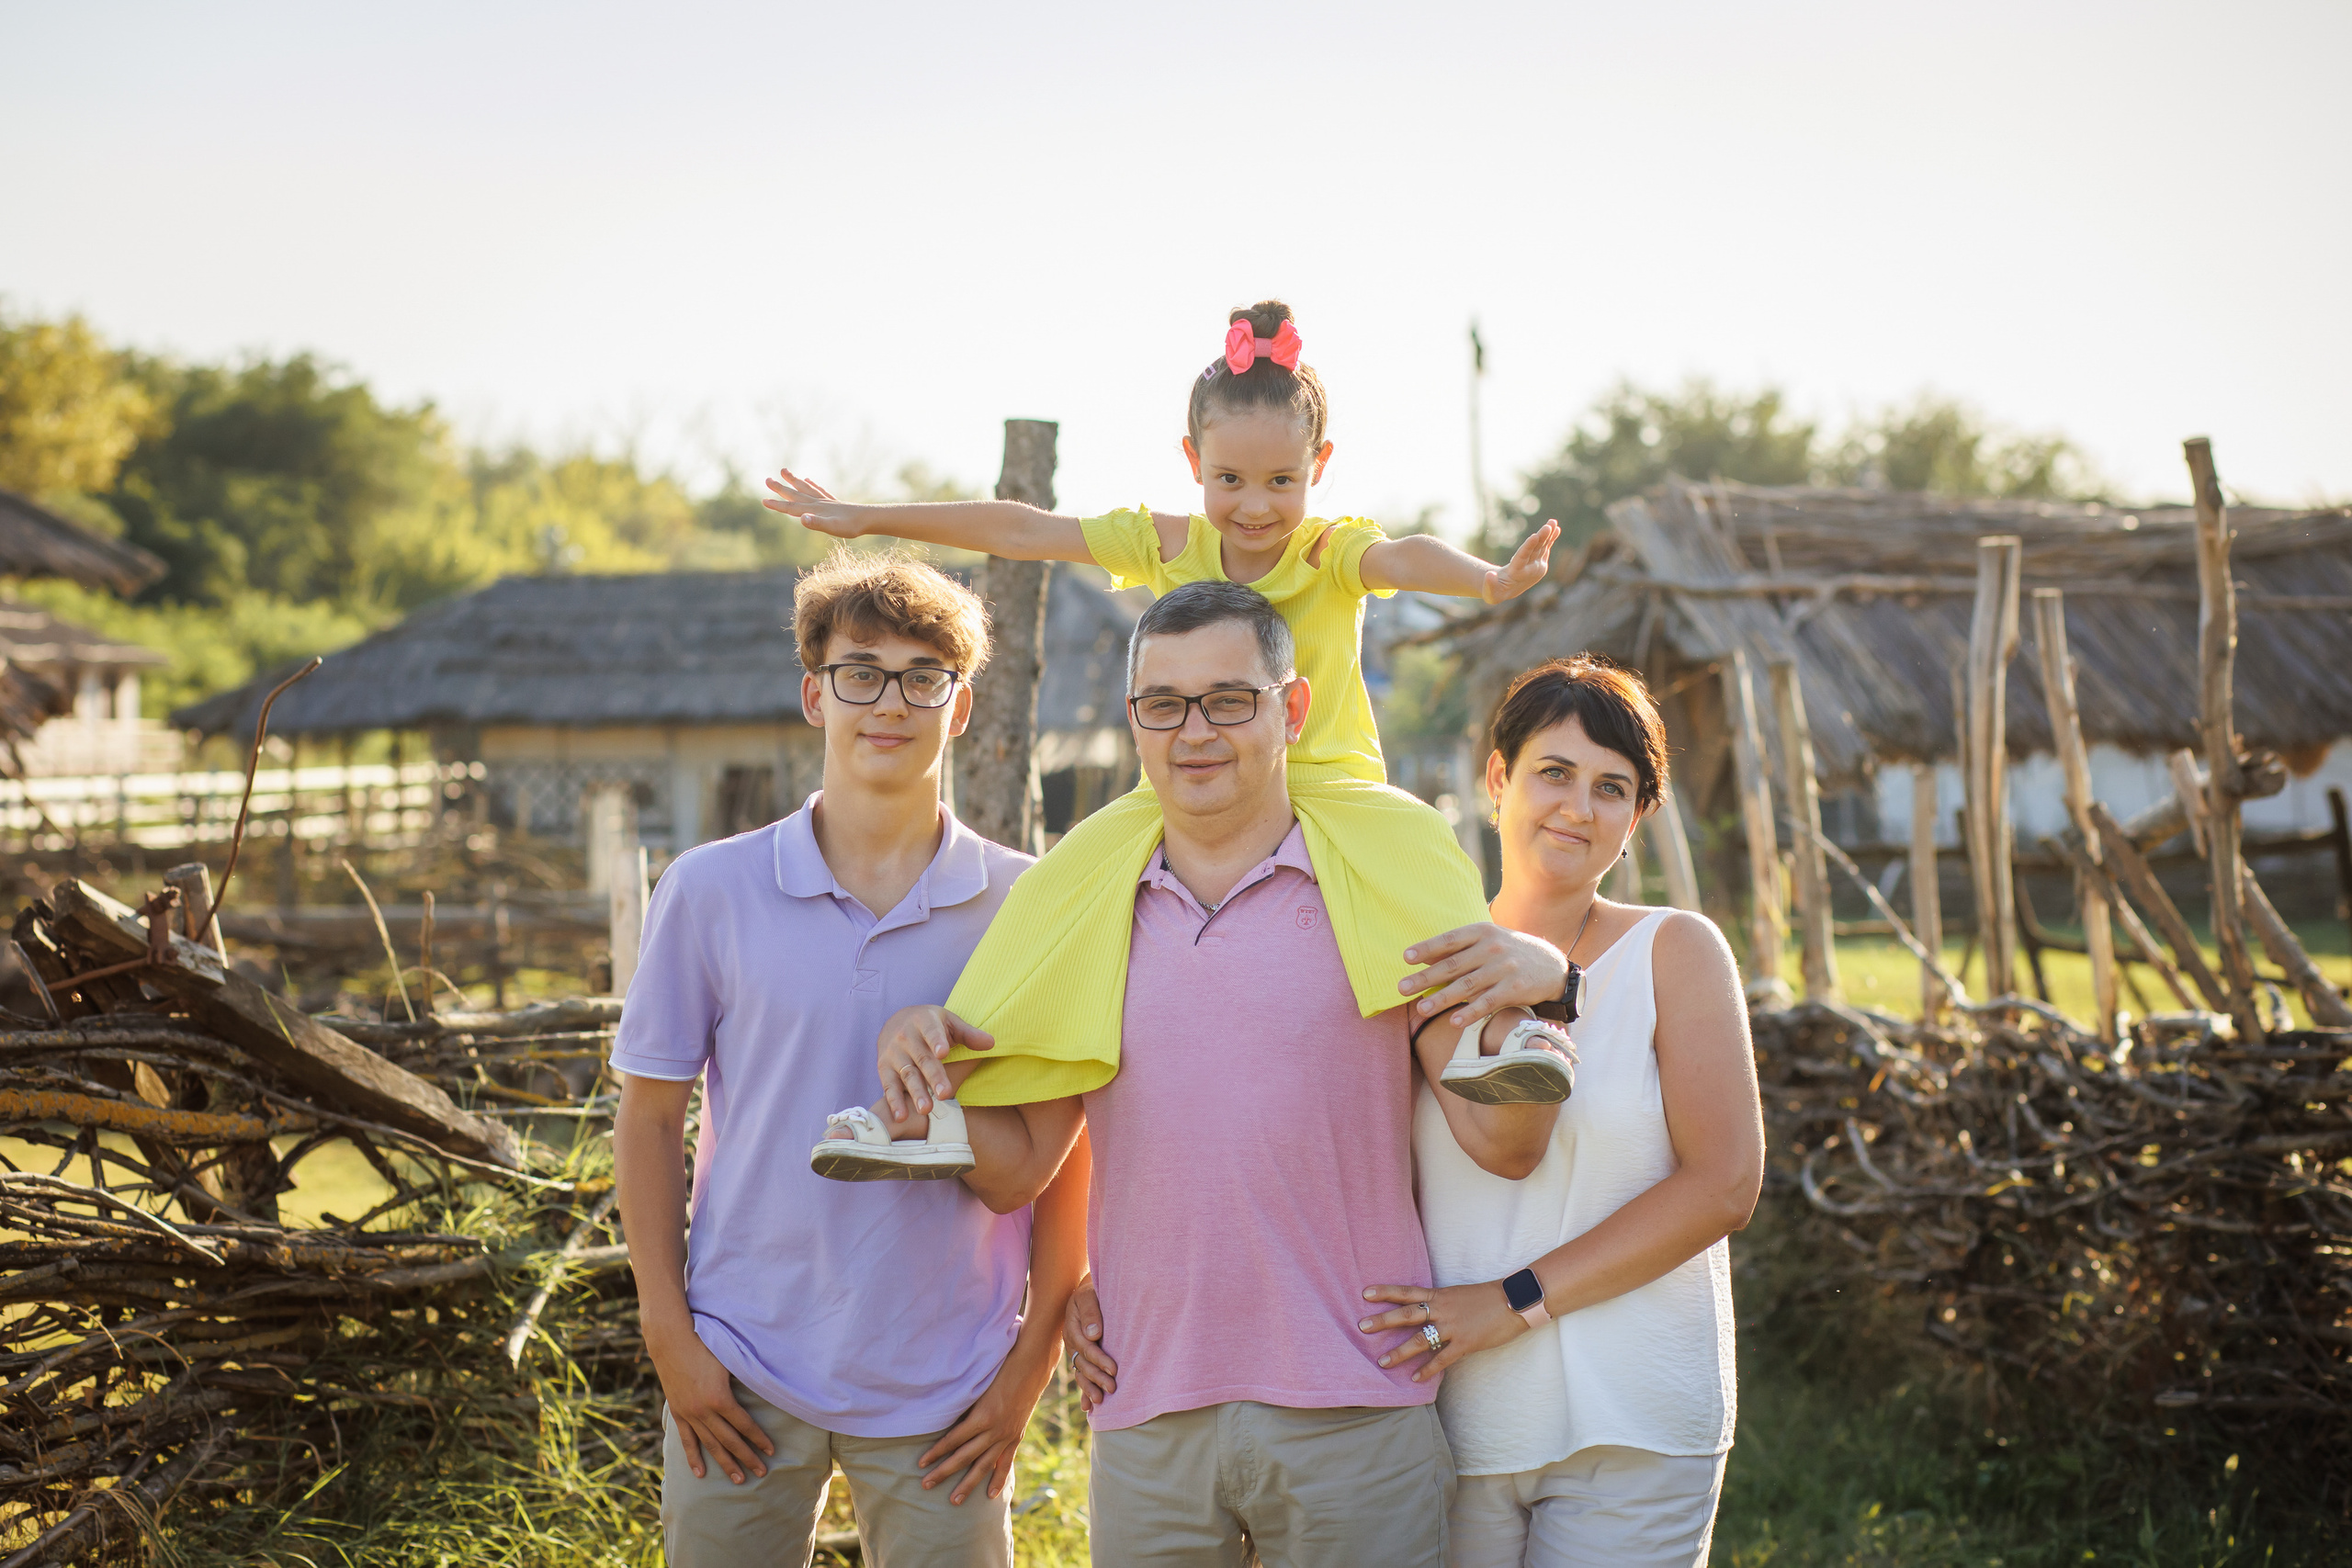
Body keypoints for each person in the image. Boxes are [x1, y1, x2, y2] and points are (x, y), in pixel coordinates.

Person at [764, 299, 1567, 1179]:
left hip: (1330, 787)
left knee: (1422, 855)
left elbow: (1407, 556)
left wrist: (1489, 581)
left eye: (1279, 482)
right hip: (1181, 787)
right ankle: (941, 1098)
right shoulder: (1166, 544)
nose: (1254, 507)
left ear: (1319, 466)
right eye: (1229, 480)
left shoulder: (1331, 552)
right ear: (1193, 461)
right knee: (1058, 888)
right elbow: (1023, 529)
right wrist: (867, 514)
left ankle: (1500, 1034)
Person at [881, 581, 1575, 1565]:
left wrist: (1541, 1015)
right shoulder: (1082, 899)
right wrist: (924, 1075)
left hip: (1354, 1399)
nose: (1194, 730)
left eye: (1228, 699)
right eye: (1164, 704)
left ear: (1290, 709)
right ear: (1135, 722)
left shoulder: (1377, 876)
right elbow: (1013, 1172)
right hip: (1145, 1404)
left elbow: (1502, 1145)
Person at [609, 550, 1089, 1568]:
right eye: (860, 672)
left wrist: (1023, 1374)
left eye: (924, 678)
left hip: (948, 1381)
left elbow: (1058, 1163)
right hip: (738, 1362)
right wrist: (669, 1338)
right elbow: (650, 1120)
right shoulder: (708, 890)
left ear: (959, 708)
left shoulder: (1028, 905)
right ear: (812, 695)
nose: (890, 702)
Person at [1356, 655, 1765, 1567]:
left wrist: (1515, 1304)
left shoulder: (1676, 951)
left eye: (1611, 788)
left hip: (1637, 1415)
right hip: (1451, 1407)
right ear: (1496, 777)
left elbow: (1724, 1185)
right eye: (1553, 773)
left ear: (1638, 817)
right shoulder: (1424, 965)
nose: (1577, 808)